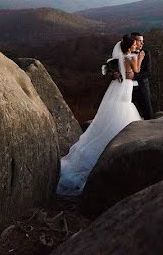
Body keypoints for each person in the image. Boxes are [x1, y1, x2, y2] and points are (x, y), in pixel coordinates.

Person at [56, 34, 143, 196]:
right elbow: (135, 72)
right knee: (124, 111)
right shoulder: (131, 56)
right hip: (126, 87)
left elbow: (114, 71)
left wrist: (116, 73)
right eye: (134, 44)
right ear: (129, 46)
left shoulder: (119, 58)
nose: (136, 46)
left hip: (118, 87)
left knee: (116, 111)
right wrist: (140, 58)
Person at [129, 32, 154, 120]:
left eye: (142, 41)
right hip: (127, 88)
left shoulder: (146, 53)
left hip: (142, 87)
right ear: (133, 41)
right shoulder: (124, 53)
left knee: (148, 113)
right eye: (140, 41)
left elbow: (148, 73)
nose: (142, 43)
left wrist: (134, 77)